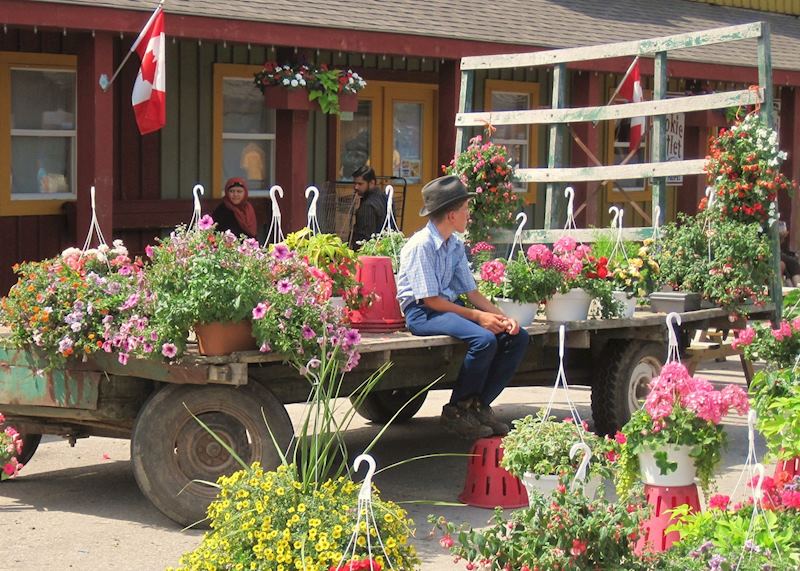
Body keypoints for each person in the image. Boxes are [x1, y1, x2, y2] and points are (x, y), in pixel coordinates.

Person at [395, 175, 530, 439]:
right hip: (422, 313)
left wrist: (503, 319)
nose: (469, 214)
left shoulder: (454, 245)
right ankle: (456, 411)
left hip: (447, 308)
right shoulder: (420, 246)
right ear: (452, 215)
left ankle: (478, 406)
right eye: (466, 209)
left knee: (517, 337)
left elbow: (472, 292)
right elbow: (430, 300)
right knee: (483, 339)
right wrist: (479, 318)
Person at [350, 165, 388, 248]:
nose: (356, 187)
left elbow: (364, 237)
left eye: (360, 184)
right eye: (355, 183)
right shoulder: (384, 197)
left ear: (372, 183)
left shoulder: (367, 206)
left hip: (369, 253)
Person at [779, 221, 800, 287]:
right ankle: (796, 287)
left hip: (781, 254)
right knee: (791, 262)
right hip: (772, 255)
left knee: (792, 262)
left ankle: (797, 287)